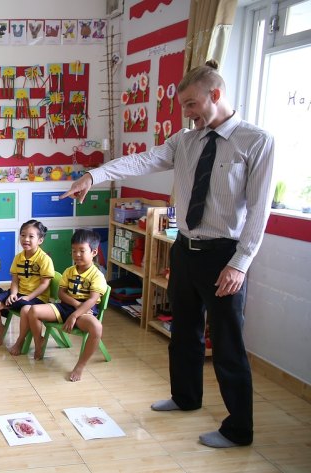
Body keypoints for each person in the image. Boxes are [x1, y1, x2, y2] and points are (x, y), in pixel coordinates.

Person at [61, 60, 274, 447]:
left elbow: (260, 210)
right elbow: (141, 160)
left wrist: (240, 263)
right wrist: (94, 175)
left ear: (216, 94)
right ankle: (186, 397)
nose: (187, 114)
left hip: (223, 254)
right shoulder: (186, 140)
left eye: (192, 104)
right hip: (184, 249)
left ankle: (239, 429)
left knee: (227, 344)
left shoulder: (255, 140)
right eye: (184, 107)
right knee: (184, 331)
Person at [18, 229, 106, 382]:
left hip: (85, 312)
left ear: (94, 252)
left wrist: (75, 314)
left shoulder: (97, 275)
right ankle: (39, 342)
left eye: (81, 251)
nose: (77, 254)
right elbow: (61, 294)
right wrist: (75, 305)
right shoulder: (69, 271)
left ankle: (80, 366)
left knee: (97, 328)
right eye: (74, 251)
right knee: (33, 310)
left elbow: (92, 300)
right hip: (65, 307)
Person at [3, 220, 55, 353]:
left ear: (40, 240)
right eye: (23, 235)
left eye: (31, 236)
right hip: (20, 294)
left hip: (37, 297)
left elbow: (45, 284)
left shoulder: (44, 259)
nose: (25, 239)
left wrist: (28, 297)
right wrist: (13, 294)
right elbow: (15, 280)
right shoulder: (18, 257)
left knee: (26, 309)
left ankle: (21, 341)